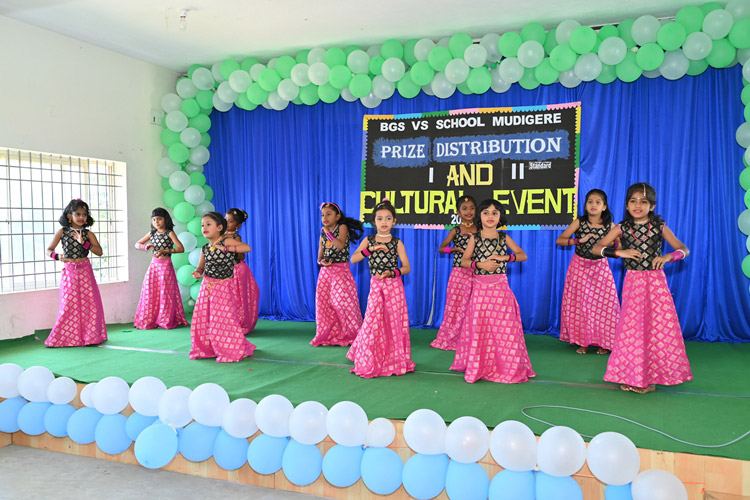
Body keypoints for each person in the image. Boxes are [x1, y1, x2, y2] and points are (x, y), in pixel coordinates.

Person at [593, 183, 692, 394]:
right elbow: (596, 248)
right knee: (633, 330)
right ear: (626, 205)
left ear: (652, 206)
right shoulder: (621, 228)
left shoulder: (659, 226)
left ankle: (652, 379)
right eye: (633, 201)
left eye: (643, 201)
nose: (638, 205)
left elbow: (683, 249)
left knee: (657, 329)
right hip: (633, 283)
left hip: (656, 283)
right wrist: (619, 253)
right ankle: (633, 376)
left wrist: (669, 256)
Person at [450, 199, 535, 384]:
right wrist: (480, 265)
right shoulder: (475, 238)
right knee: (481, 330)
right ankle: (480, 366)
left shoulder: (504, 238)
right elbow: (464, 261)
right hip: (480, 291)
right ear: (479, 216)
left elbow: (523, 255)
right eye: (486, 213)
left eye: (495, 213)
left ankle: (507, 367)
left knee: (505, 330)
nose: (490, 216)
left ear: (500, 217)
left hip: (501, 290)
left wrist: (505, 258)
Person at [346, 199, 415, 377]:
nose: (384, 222)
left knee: (393, 321)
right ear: (373, 221)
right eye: (380, 218)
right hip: (376, 285)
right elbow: (353, 259)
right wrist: (371, 249)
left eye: (388, 218)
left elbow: (407, 267)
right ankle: (368, 356)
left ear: (394, 221)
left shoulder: (397, 242)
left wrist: (392, 273)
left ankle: (393, 357)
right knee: (372, 320)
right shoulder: (368, 240)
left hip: (394, 287)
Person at [556, 189, 619, 354]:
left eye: (598, 202)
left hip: (600, 267)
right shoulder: (579, 222)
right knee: (581, 305)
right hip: (579, 267)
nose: (593, 205)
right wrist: (578, 240)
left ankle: (604, 343)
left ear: (604, 207)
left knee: (605, 305)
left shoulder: (610, 225)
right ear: (585, 205)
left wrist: (610, 244)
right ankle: (582, 341)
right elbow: (560, 240)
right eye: (590, 201)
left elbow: (619, 245)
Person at [189, 212, 256, 362]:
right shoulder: (205, 248)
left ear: (219, 227)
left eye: (208, 224)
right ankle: (206, 349)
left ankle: (229, 349)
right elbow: (201, 267)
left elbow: (246, 248)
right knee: (203, 318)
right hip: (207, 287)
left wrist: (225, 248)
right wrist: (197, 272)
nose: (204, 228)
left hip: (224, 287)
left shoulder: (226, 241)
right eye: (202, 225)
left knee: (224, 319)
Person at [44, 199, 107, 347]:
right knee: (69, 304)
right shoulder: (62, 232)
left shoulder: (88, 234)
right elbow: (48, 250)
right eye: (77, 214)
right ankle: (67, 338)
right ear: (69, 216)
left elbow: (99, 252)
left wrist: (84, 242)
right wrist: (58, 256)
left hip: (85, 270)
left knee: (90, 304)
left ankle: (90, 337)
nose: (81, 217)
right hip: (70, 271)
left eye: (84, 214)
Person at [311, 202, 364, 346]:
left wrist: (328, 232)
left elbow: (340, 245)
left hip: (341, 271)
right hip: (326, 273)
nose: (325, 217)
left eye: (329, 214)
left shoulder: (342, 227)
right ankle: (328, 334)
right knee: (324, 304)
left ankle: (351, 334)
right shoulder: (322, 234)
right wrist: (322, 262)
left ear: (337, 216)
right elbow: (320, 255)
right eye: (323, 215)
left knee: (342, 303)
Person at [431, 195, 477, 350]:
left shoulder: (480, 230)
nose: (468, 211)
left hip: (477, 272)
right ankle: (454, 336)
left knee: (474, 305)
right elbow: (441, 248)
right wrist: (455, 249)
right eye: (464, 209)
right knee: (456, 306)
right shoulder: (456, 230)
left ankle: (473, 338)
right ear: (458, 212)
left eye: (472, 208)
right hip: (459, 273)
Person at [133, 207, 187, 330]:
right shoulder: (151, 233)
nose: (156, 222)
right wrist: (145, 247)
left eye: (159, 219)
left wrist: (165, 251)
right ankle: (151, 319)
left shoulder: (169, 233)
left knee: (165, 292)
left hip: (166, 265)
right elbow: (137, 244)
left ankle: (164, 320)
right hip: (154, 265)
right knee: (150, 291)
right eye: (154, 219)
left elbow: (181, 248)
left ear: (166, 219)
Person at [225, 208, 259, 333]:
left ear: (238, 225)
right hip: (223, 271)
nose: (227, 223)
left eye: (230, 221)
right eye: (225, 220)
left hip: (236, 270)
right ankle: (225, 323)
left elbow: (241, 256)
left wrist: (229, 248)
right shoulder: (219, 237)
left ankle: (239, 323)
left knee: (237, 298)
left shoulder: (236, 237)